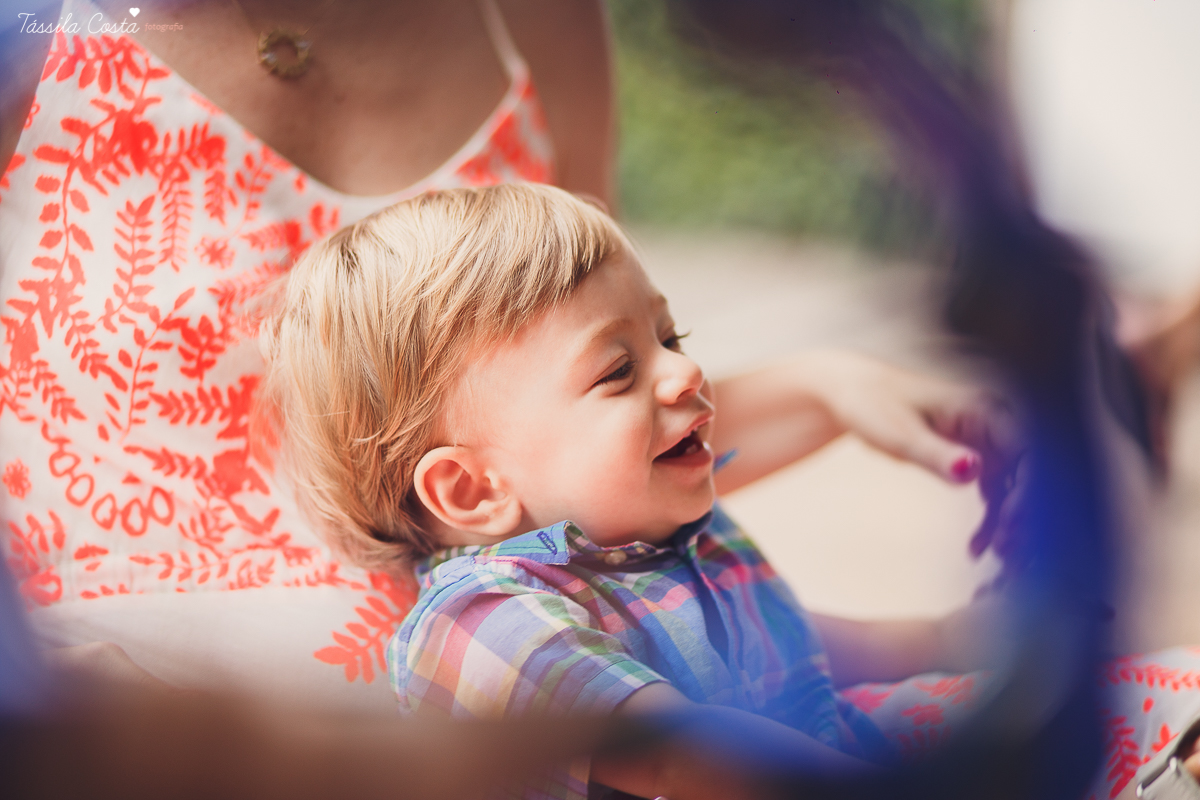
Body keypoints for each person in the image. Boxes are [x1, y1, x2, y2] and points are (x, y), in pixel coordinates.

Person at [257, 183, 1026, 799]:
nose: (686, 372)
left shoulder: (657, 532)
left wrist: (950, 639)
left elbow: (786, 650)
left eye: (668, 337)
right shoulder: (482, 624)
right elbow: (678, 758)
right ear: (471, 489)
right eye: (618, 371)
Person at [0, 0, 614, 707]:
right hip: (113, 737)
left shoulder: (538, 16)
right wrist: (40, 690)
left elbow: (609, 377)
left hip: (516, 727)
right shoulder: (29, 35)